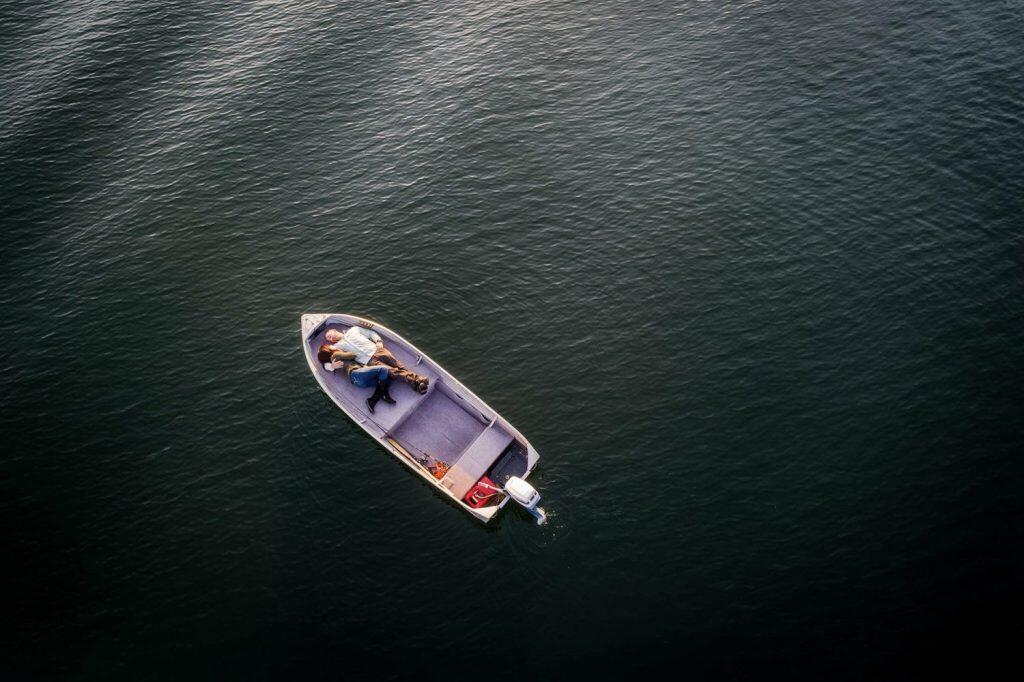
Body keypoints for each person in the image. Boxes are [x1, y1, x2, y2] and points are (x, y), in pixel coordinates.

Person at [324, 326, 429, 394]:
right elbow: (327, 361)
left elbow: (370, 333)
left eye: (329, 335)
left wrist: (378, 341)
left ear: (334, 331)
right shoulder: (337, 346)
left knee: (397, 364)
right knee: (391, 371)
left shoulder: (354, 330)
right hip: (369, 361)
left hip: (377, 350)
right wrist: (331, 366)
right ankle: (417, 380)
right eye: (328, 339)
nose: (329, 338)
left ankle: (416, 384)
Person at [317, 345, 395, 414]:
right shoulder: (336, 355)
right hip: (357, 373)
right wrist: (341, 350)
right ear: (329, 349)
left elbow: (325, 367)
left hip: (357, 382)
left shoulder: (332, 364)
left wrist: (331, 366)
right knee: (384, 370)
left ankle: (372, 401)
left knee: (385, 380)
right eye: (330, 346)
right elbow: (353, 355)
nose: (332, 346)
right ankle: (383, 395)